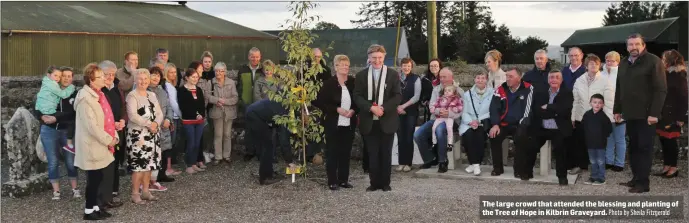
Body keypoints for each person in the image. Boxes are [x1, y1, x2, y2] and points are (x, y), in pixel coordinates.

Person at [614, 34, 667, 193]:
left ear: (643, 45)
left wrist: (654, 113)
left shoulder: (653, 61)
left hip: (647, 116)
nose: (633, 47)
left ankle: (643, 183)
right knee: (634, 148)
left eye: (637, 44)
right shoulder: (623, 63)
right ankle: (636, 178)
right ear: (627, 47)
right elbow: (619, 88)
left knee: (644, 149)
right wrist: (617, 109)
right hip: (630, 114)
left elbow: (660, 89)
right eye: (630, 44)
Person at [353, 44, 401, 192]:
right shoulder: (361, 75)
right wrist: (370, 107)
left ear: (384, 57)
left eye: (380, 57)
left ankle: (385, 183)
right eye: (374, 57)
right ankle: (374, 183)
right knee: (372, 153)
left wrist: (383, 108)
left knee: (386, 153)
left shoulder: (393, 74)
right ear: (369, 57)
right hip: (369, 121)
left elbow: (398, 95)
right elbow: (357, 96)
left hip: (387, 120)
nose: (377, 60)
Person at [74, 63, 118, 220]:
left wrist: (114, 136)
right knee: (93, 179)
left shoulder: (99, 95)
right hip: (92, 144)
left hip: (101, 143)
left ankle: (96, 207)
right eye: (100, 77)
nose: (104, 79)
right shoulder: (86, 99)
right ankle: (88, 210)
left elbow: (108, 119)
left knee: (99, 178)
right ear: (91, 81)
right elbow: (92, 127)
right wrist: (109, 140)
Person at [34, 66, 79, 200]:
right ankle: (56, 192)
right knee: (53, 161)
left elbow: (73, 113)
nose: (65, 78)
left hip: (67, 131)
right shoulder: (50, 89)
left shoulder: (75, 93)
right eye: (63, 76)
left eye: (69, 76)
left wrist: (56, 118)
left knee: (70, 161)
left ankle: (75, 189)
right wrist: (42, 117)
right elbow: (36, 107)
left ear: (72, 78)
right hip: (49, 130)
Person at [314, 54, 358, 190]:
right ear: (336, 66)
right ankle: (332, 181)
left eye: (347, 65)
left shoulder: (352, 82)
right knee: (332, 152)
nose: (345, 67)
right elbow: (320, 102)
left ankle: (343, 180)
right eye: (342, 64)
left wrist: (353, 110)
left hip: (349, 123)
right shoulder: (329, 83)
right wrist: (337, 109)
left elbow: (358, 99)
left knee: (345, 152)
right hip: (333, 123)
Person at [526, 71, 573, 185]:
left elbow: (565, 111)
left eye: (557, 77)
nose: (554, 80)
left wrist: (548, 107)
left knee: (560, 150)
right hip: (542, 127)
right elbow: (537, 111)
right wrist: (554, 111)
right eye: (551, 77)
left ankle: (562, 176)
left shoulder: (567, 93)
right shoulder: (540, 93)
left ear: (561, 80)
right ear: (548, 80)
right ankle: (527, 171)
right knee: (531, 145)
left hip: (559, 128)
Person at [570, 54, 614, 175]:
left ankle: (597, 170)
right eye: (591, 63)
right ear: (586, 66)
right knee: (579, 142)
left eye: (596, 63)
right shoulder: (579, 80)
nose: (593, 65)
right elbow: (576, 100)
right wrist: (573, 117)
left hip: (598, 118)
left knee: (596, 144)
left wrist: (608, 118)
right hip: (581, 116)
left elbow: (609, 101)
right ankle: (580, 165)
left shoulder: (605, 81)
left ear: (600, 65)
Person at [413, 68, 464, 173]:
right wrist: (439, 111)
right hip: (436, 118)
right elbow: (432, 105)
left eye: (445, 77)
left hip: (452, 121)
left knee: (440, 130)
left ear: (451, 77)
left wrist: (449, 113)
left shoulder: (459, 91)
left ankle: (443, 161)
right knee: (418, 134)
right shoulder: (436, 89)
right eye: (441, 77)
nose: (442, 79)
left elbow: (462, 109)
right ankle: (430, 159)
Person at [126, 69, 164, 204]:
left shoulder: (152, 95)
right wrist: (149, 124)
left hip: (152, 134)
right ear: (135, 80)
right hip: (138, 135)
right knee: (139, 166)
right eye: (140, 79)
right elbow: (132, 115)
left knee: (149, 164)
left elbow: (159, 113)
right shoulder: (132, 95)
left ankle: (146, 191)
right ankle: (135, 193)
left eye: (145, 78)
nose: (143, 81)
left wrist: (156, 124)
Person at [488, 68, 533, 177]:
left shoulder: (528, 88)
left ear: (519, 78)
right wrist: (495, 124)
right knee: (494, 136)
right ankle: (497, 168)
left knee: (521, 137)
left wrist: (522, 125)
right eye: (507, 76)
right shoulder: (501, 89)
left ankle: (518, 169)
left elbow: (528, 110)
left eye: (510, 76)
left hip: (521, 124)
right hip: (503, 124)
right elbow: (494, 108)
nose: (507, 78)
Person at [245, 99, 296, 185]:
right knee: (267, 146)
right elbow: (284, 140)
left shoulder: (285, 103)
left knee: (269, 144)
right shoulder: (285, 113)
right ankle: (265, 177)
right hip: (255, 115)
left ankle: (269, 172)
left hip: (255, 112)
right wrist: (289, 161)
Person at [654, 49, 687, 178]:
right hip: (663, 113)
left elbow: (684, 97)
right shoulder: (665, 74)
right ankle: (666, 166)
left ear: (670, 60)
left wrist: (681, 117)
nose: (662, 60)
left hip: (673, 114)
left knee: (671, 141)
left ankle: (673, 167)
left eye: (664, 58)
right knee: (663, 140)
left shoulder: (679, 75)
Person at [98, 60, 126, 208]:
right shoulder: (99, 90)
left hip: (118, 130)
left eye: (112, 74)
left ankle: (113, 191)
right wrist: (111, 124)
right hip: (104, 133)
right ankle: (103, 197)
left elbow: (122, 106)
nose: (110, 77)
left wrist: (122, 119)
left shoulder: (117, 87)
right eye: (106, 74)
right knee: (105, 165)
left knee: (115, 163)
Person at [200, 62, 239, 164]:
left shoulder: (231, 83)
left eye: (221, 71)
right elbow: (207, 96)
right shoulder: (211, 82)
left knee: (227, 134)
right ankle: (218, 157)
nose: (218, 73)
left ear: (225, 72)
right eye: (217, 71)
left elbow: (235, 98)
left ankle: (227, 156)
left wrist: (224, 101)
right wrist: (217, 100)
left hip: (229, 112)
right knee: (218, 134)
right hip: (216, 112)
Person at [147, 67, 176, 193]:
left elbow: (169, 106)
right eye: (153, 75)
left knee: (164, 150)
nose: (155, 78)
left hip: (164, 125)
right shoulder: (145, 91)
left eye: (158, 76)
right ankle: (151, 179)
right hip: (152, 128)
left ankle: (162, 174)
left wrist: (169, 119)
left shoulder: (162, 91)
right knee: (153, 153)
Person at [459, 71, 494, 176]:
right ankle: (475, 164)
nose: (480, 80)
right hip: (469, 122)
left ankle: (474, 164)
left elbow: (493, 110)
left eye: (483, 78)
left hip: (484, 121)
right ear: (474, 80)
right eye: (478, 78)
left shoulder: (493, 92)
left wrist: (479, 120)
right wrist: (470, 121)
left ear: (486, 80)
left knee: (479, 136)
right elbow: (463, 112)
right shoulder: (467, 94)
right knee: (468, 135)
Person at [238, 47, 265, 161]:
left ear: (260, 57)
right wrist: (241, 101)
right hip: (247, 103)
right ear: (249, 57)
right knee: (248, 128)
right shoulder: (243, 69)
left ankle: (259, 151)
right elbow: (239, 86)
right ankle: (249, 151)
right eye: (252, 56)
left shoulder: (263, 70)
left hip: (260, 104)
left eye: (257, 57)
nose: (255, 59)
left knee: (260, 128)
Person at [178, 68, 207, 174]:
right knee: (191, 142)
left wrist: (201, 115)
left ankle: (194, 163)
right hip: (188, 120)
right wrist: (195, 114)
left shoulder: (198, 89)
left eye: (196, 77)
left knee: (197, 143)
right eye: (193, 77)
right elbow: (184, 106)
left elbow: (201, 104)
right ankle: (188, 165)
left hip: (199, 121)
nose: (195, 79)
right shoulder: (182, 90)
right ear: (187, 78)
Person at [601, 51, 626, 172]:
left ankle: (619, 163)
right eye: (608, 60)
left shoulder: (622, 74)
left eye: (613, 61)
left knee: (620, 139)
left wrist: (621, 111)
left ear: (618, 62)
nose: (610, 63)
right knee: (608, 139)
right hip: (605, 112)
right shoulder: (601, 74)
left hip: (618, 112)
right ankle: (608, 161)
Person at [581, 94, 613, 185]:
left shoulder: (604, 117)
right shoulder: (587, 115)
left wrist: (602, 137)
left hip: (600, 144)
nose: (597, 104)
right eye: (595, 102)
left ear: (603, 105)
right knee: (592, 161)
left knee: (600, 161)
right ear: (590, 103)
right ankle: (593, 176)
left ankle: (601, 178)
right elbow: (583, 127)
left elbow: (609, 129)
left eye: (600, 103)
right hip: (590, 143)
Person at [395, 57, 421, 172]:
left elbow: (416, 97)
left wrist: (403, 106)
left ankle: (408, 163)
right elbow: (391, 94)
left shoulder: (416, 79)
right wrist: (397, 107)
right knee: (400, 137)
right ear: (401, 66)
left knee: (408, 137)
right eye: (404, 65)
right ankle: (401, 162)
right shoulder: (395, 78)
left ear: (411, 67)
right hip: (397, 112)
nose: (406, 68)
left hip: (410, 112)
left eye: (408, 66)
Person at [162, 62, 184, 176]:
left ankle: (168, 167)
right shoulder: (168, 86)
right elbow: (173, 104)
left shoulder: (171, 85)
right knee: (169, 142)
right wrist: (181, 116)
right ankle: (167, 168)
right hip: (172, 117)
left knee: (172, 142)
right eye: (170, 72)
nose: (173, 74)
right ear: (166, 73)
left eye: (175, 72)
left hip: (174, 117)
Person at [188, 61, 210, 168]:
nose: (202, 70)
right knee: (192, 139)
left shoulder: (203, 82)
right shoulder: (186, 83)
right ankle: (192, 162)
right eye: (200, 68)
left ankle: (200, 159)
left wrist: (200, 111)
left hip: (202, 114)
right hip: (190, 116)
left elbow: (206, 97)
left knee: (201, 138)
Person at [431, 85, 463, 150]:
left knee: (449, 128)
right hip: (441, 116)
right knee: (434, 128)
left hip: (449, 117)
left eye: (449, 91)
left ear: (453, 92)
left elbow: (460, 107)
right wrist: (434, 108)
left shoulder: (456, 99)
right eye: (445, 91)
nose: (447, 92)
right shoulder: (440, 98)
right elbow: (435, 104)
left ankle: (450, 144)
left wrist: (456, 109)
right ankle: (434, 142)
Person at [420, 59, 442, 123]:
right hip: (429, 108)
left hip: (442, 107)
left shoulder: (444, 78)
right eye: (431, 66)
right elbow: (422, 92)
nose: (433, 68)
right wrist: (424, 101)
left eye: (435, 66)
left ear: (439, 67)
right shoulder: (425, 79)